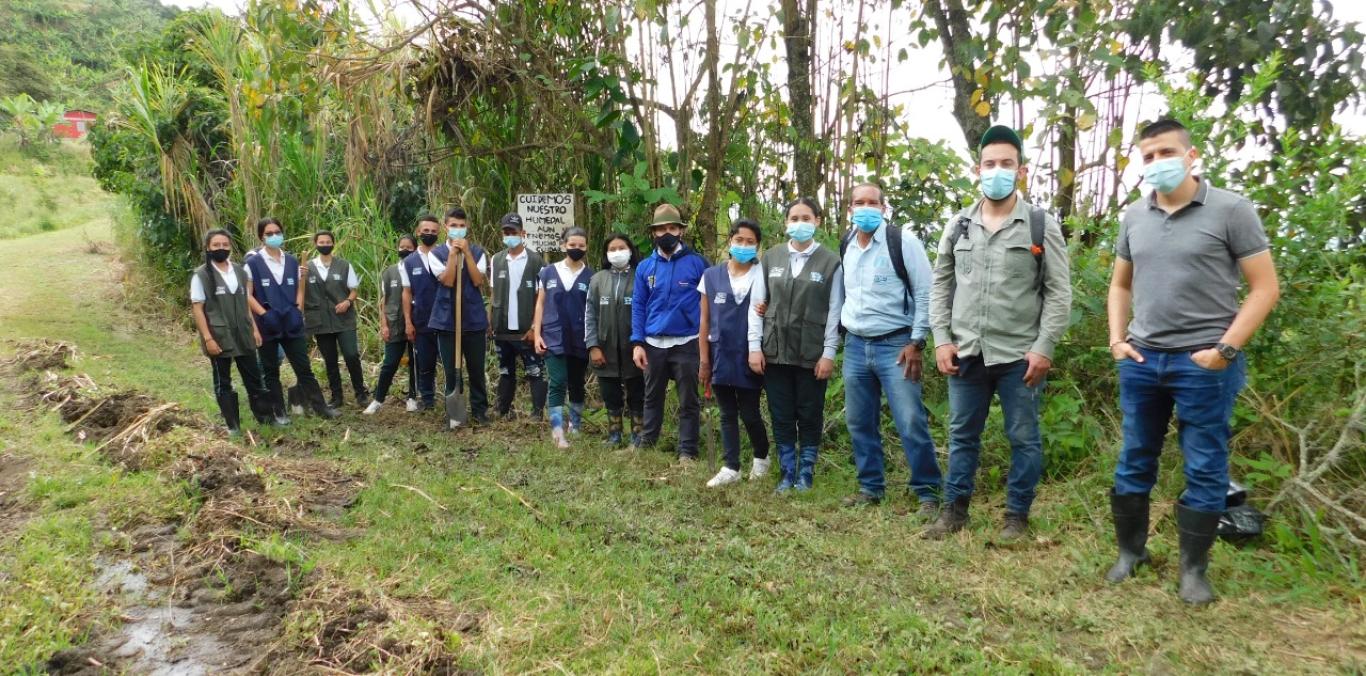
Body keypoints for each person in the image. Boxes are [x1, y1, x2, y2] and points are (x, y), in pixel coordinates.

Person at [1105, 118, 1279, 605]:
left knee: (1204, 465)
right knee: (1135, 457)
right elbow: (1120, 285)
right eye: (1147, 156)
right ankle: (1130, 553)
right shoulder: (1134, 217)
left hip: (1204, 363)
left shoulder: (1230, 210)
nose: (1156, 162)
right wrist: (1118, 340)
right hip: (1142, 359)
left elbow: (1264, 287)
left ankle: (1193, 571)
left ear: (1191, 154)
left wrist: (1224, 350)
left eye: (1165, 152)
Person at [926, 125, 1073, 542]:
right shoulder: (958, 226)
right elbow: (941, 284)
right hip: (967, 352)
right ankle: (953, 513)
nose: (997, 171)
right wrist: (941, 338)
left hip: (1019, 356)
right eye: (989, 164)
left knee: (1023, 438)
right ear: (977, 168)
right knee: (961, 435)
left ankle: (1017, 518)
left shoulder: (1040, 226)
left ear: (1021, 170)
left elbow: (1058, 292)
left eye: (1006, 164)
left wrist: (1044, 348)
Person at [839, 183, 940, 516]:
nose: (865, 208)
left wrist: (917, 341)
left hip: (897, 344)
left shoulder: (903, 242)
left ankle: (927, 491)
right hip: (855, 344)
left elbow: (926, 293)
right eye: (859, 203)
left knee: (910, 419)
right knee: (859, 421)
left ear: (884, 207)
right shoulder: (848, 244)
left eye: (872, 202)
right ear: (849, 209)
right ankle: (871, 487)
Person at [747, 198, 843, 492]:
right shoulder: (771, 258)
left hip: (812, 353)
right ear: (786, 222)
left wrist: (829, 353)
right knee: (781, 413)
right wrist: (755, 346)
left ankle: (806, 473)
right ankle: (787, 472)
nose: (799, 223)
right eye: (793, 218)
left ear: (817, 221)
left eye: (806, 217)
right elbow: (757, 305)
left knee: (809, 412)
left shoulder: (830, 262)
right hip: (775, 352)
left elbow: (835, 311)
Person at [631, 204, 709, 462]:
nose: (667, 232)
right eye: (662, 228)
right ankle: (647, 442)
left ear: (681, 231)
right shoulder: (644, 267)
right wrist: (638, 343)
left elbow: (708, 305)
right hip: (653, 343)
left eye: (672, 227)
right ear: (653, 232)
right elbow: (639, 306)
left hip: (687, 341)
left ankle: (687, 450)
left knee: (688, 399)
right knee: (652, 397)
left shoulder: (697, 264)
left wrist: (706, 343)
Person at [243, 217, 338, 420]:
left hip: (291, 321)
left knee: (304, 368)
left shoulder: (292, 261)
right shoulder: (252, 263)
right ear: (261, 237)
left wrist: (298, 309)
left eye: (277, 232)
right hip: (268, 323)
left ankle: (321, 408)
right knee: (270, 371)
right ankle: (279, 412)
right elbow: (247, 294)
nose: (274, 236)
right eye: (269, 233)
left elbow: (299, 289)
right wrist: (263, 315)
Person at [699, 219, 770, 488]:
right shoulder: (711, 276)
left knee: (750, 412)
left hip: (750, 354)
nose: (743, 245)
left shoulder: (763, 275)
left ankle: (761, 458)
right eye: (739, 240)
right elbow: (704, 321)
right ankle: (731, 466)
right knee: (727, 412)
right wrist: (704, 360)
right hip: (720, 354)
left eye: (750, 242)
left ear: (757, 246)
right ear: (729, 241)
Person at [190, 229, 273, 435]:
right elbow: (197, 309)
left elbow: (245, 303)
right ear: (208, 248)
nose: (221, 249)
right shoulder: (201, 275)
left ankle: (266, 419)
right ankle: (233, 426)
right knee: (223, 380)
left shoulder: (239, 271)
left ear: (230, 247)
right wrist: (208, 338)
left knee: (254, 378)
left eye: (225, 245)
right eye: (216, 245)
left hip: (243, 333)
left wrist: (254, 329)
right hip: (219, 335)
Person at [533, 227, 594, 448]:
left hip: (580, 337)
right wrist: (537, 334)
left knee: (577, 383)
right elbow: (540, 304)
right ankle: (557, 431)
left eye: (581, 245)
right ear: (563, 245)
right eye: (572, 245)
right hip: (552, 335)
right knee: (557, 382)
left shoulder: (591, 276)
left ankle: (575, 425)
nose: (576, 249)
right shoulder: (547, 272)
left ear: (586, 247)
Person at [430, 207, 490, 426]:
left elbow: (477, 280)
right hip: (447, 321)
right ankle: (454, 413)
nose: (457, 230)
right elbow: (447, 280)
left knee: (476, 369)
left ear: (467, 227)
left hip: (472, 320)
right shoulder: (436, 254)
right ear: (445, 227)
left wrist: (466, 253)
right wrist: (453, 255)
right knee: (451, 369)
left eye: (461, 226)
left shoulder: (478, 252)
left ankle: (480, 411)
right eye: (453, 226)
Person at [586, 233, 644, 446]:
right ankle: (614, 434)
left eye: (622, 248)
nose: (617, 252)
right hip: (604, 346)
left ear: (630, 251)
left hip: (634, 347)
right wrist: (593, 345)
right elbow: (589, 315)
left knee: (637, 391)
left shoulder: (641, 276)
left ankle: (638, 434)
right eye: (612, 249)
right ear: (606, 253)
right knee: (610, 392)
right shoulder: (597, 279)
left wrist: (643, 344)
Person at [489, 213, 548, 419]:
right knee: (506, 371)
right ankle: (502, 409)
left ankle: (537, 414)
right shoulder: (496, 260)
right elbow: (494, 293)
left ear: (523, 233)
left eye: (513, 232)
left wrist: (535, 327)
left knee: (535, 371)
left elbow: (541, 297)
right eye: (506, 232)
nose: (509, 236)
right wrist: (491, 323)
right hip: (502, 329)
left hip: (527, 330)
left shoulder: (535, 261)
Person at [302, 230, 369, 409]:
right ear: (315, 244)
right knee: (330, 359)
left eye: (328, 242)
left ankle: (360, 393)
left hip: (343, 319)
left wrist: (348, 301)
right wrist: (300, 276)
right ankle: (336, 396)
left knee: (351, 355)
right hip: (320, 320)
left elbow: (354, 289)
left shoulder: (344, 265)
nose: (325, 245)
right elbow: (299, 293)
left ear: (333, 243)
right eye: (321, 242)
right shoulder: (306, 267)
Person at [364, 235, 419, 414]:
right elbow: (383, 301)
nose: (404, 250)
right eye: (401, 246)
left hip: (416, 323)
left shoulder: (419, 269)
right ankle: (378, 399)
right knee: (390, 363)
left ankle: (412, 397)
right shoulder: (389, 272)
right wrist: (384, 324)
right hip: (394, 323)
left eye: (409, 247)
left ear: (416, 249)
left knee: (415, 362)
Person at [399, 214, 444, 412]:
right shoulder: (408, 262)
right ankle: (427, 400)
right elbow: (407, 293)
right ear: (418, 232)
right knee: (424, 363)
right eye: (426, 231)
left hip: (446, 321)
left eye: (433, 231)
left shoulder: (445, 255)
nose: (429, 234)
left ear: (439, 233)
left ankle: (453, 397)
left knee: (450, 362)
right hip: (421, 320)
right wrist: (408, 321)